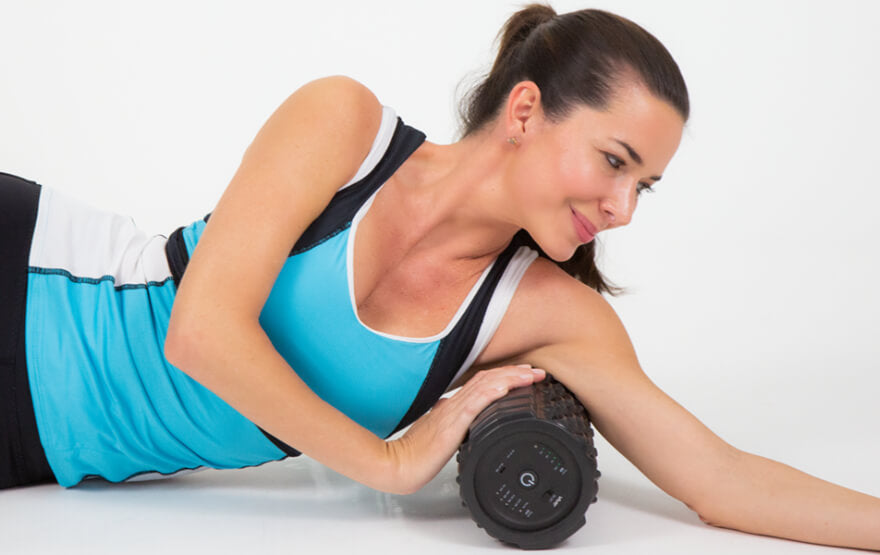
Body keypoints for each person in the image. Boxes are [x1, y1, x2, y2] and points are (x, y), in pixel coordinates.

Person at [1, 2, 878, 550]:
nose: (624, 207)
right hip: (26, 281)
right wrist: (385, 461)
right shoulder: (344, 127)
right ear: (526, 110)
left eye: (643, 184)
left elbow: (720, 478)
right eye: (614, 161)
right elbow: (201, 331)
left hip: (42, 450)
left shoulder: (551, 316)